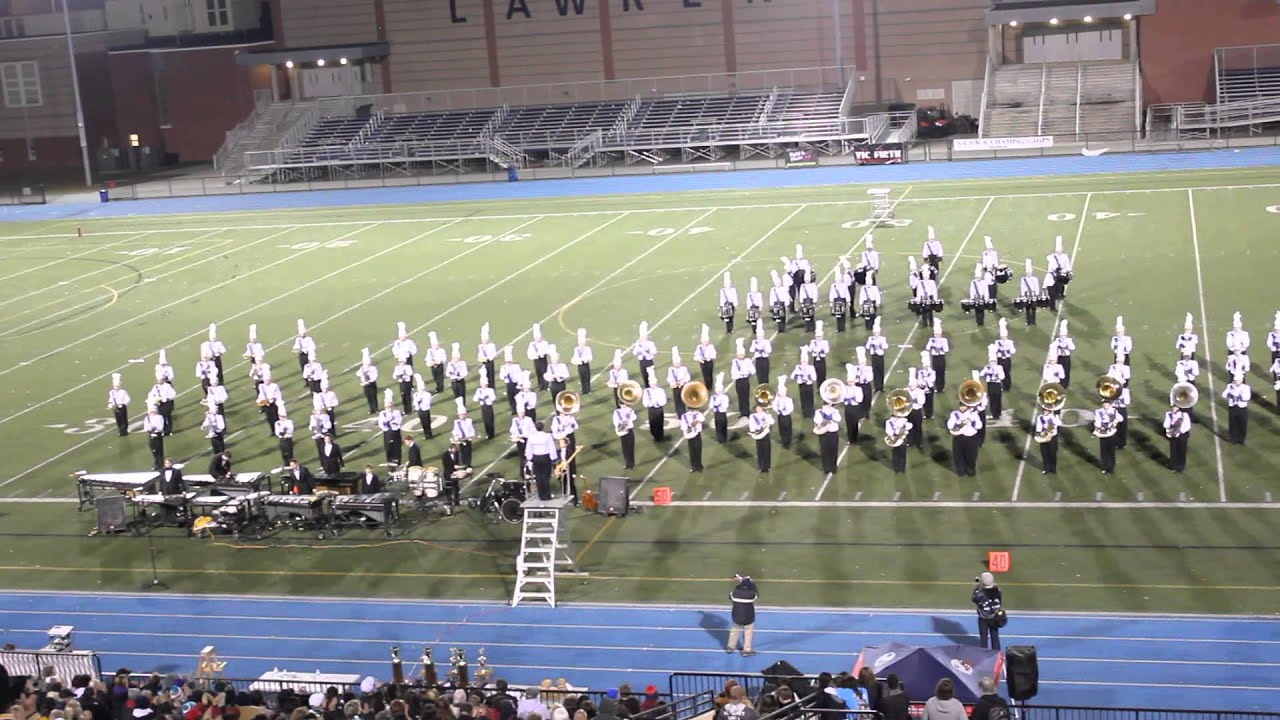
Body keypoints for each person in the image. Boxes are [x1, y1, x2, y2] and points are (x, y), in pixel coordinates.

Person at [525, 421, 559, 501]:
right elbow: (551, 447)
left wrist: (529, 458)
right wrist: (553, 458)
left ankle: (541, 495)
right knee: (546, 477)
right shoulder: (547, 436)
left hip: (536, 458)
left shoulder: (532, 437)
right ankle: (547, 495)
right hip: (545, 458)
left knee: (538, 477)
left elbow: (529, 448)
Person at [725, 575, 757, 657]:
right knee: (748, 632)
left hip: (737, 616)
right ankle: (746, 650)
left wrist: (740, 581)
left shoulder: (735, 592)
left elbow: (730, 596)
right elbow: (756, 593)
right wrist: (751, 583)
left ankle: (730, 647)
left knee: (734, 630)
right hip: (748, 616)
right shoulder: (752, 594)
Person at [972, 572, 1004, 650]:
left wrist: (977, 587)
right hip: (995, 616)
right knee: (995, 637)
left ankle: (984, 655)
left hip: (983, 618)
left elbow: (974, 599)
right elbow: (1000, 601)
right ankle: (997, 656)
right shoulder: (998, 590)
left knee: (984, 638)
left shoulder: (979, 593)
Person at [1223, 373, 1252, 445]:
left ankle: (1242, 439)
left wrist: (1238, 395)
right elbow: (1223, 395)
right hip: (1233, 407)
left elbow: (1247, 397)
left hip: (1242, 408)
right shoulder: (1230, 386)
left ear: (1241, 380)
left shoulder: (1246, 387)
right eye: (1235, 380)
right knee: (1233, 424)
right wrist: (1230, 393)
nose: (1236, 382)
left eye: (1237, 380)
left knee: (1242, 424)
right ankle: (1233, 438)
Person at [1094, 398, 1121, 473]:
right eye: (1104, 404)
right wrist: (1100, 426)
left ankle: (1112, 467)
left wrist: (1115, 421)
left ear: (1110, 404)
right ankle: (1105, 467)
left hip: (1111, 433)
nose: (1105, 405)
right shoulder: (1098, 411)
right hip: (1103, 433)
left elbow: (1121, 419)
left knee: (1111, 451)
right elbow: (1097, 421)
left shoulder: (1114, 411)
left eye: (1107, 404)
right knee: (1104, 451)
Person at [642, 368, 668, 442]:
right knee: (652, 424)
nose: (652, 385)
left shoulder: (660, 391)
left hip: (659, 409)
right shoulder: (647, 391)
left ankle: (660, 437)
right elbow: (645, 401)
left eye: (653, 384)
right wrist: (650, 404)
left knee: (659, 423)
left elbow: (664, 400)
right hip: (651, 409)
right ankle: (655, 436)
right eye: (651, 384)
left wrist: (657, 402)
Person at [1164, 403, 1191, 473]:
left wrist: (1179, 430)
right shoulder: (1168, 414)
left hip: (1182, 435)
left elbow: (1188, 426)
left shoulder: (1184, 415)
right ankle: (1173, 466)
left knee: (1182, 451)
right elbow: (1165, 425)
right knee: (1173, 451)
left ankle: (1181, 466)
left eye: (1175, 407)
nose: (1173, 408)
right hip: (1173, 435)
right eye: (1173, 407)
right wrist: (1172, 425)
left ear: (1179, 408)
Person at [731, 338, 753, 416]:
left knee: (745, 396)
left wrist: (746, 374)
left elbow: (753, 371)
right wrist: (738, 375)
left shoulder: (748, 361)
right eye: (739, 355)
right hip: (738, 380)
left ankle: (746, 412)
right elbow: (733, 372)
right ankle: (742, 412)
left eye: (742, 354)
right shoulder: (735, 362)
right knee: (740, 396)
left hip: (745, 380)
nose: (741, 356)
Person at [748, 404, 773, 473]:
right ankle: (761, 466)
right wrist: (754, 431)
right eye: (757, 408)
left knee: (767, 450)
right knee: (760, 451)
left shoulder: (766, 415)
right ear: (755, 409)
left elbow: (772, 422)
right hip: (758, 436)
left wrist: (768, 415)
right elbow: (751, 425)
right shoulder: (752, 416)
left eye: (760, 408)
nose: (759, 409)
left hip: (765, 434)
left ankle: (767, 466)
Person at [679, 405, 705, 473]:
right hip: (690, 435)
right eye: (691, 408)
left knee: (698, 449)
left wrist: (697, 421)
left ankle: (699, 466)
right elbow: (683, 426)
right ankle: (694, 466)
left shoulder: (698, 414)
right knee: (692, 450)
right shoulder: (684, 416)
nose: (692, 410)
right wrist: (688, 428)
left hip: (697, 434)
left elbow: (702, 418)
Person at [926, 319, 950, 389]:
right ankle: (937, 386)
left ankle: (942, 387)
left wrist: (940, 345)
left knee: (941, 372)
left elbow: (946, 350)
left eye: (938, 334)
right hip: (935, 357)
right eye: (936, 334)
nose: (937, 335)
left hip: (941, 357)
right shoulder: (931, 340)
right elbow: (927, 348)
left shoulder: (944, 340)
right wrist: (932, 343)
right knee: (935, 373)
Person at [473, 368, 497, 440]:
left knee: (490, 420)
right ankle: (487, 432)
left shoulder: (490, 390)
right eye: (483, 384)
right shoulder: (479, 390)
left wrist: (487, 396)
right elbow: (474, 399)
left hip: (489, 406)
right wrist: (479, 397)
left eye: (485, 384)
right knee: (485, 420)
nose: (484, 385)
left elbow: (493, 398)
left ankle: (491, 433)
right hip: (483, 406)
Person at [1035, 408, 1061, 474]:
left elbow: (1059, 423)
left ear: (1049, 411)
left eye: (1046, 410)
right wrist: (1039, 433)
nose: (1044, 411)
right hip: (1044, 437)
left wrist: (1056, 415)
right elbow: (1038, 427)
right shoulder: (1040, 417)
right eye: (1044, 410)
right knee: (1044, 453)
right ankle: (1046, 468)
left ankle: (1053, 468)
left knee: (1052, 453)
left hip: (1052, 437)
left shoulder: (1053, 417)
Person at [613, 402, 638, 470]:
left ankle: (632, 464)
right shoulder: (617, 411)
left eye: (623, 404)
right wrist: (622, 425)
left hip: (629, 430)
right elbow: (615, 421)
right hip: (622, 430)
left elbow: (634, 418)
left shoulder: (630, 410)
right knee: (625, 448)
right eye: (621, 404)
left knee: (630, 448)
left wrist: (630, 415)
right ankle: (627, 463)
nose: (622, 405)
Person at [1017, 258, 1041, 326]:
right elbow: (1022, 287)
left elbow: (1037, 286)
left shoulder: (1035, 279)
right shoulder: (1023, 279)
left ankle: (1033, 321)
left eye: (1029, 273)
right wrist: (1023, 294)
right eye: (1027, 273)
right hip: (1027, 295)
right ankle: (1028, 321)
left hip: (1033, 295)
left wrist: (1036, 293)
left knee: (1033, 308)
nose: (1028, 274)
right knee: (1027, 308)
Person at [634, 321, 658, 387]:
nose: (643, 339)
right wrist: (637, 347)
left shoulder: (650, 343)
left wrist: (645, 351)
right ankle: (647, 388)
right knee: (644, 377)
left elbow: (654, 352)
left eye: (644, 337)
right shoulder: (638, 343)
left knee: (651, 378)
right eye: (641, 337)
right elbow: (634, 352)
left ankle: (653, 389)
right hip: (642, 362)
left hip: (649, 362)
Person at [694, 323, 717, 389]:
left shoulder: (711, 346)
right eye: (703, 341)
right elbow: (696, 355)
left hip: (709, 362)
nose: (704, 342)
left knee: (709, 375)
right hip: (702, 362)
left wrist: (708, 357)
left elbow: (714, 355)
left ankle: (710, 385)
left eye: (706, 341)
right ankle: (706, 385)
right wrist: (699, 359)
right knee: (705, 374)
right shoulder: (699, 347)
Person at [571, 327, 593, 394]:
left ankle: (588, 389)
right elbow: (574, 357)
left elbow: (590, 356)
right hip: (580, 365)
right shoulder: (576, 349)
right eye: (580, 343)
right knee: (582, 377)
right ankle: (583, 389)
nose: (582, 345)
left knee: (587, 377)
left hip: (585, 364)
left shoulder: (587, 349)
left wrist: (586, 359)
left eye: (583, 343)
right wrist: (577, 361)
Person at [710, 372, 731, 444]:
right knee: (718, 426)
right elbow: (710, 406)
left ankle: (724, 438)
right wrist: (716, 404)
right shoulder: (713, 397)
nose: (718, 391)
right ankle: (720, 439)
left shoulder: (725, 397)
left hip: (722, 413)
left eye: (719, 390)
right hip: (716, 413)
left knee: (723, 425)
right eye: (717, 390)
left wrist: (719, 403)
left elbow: (725, 406)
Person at [143, 405, 165, 470]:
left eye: (153, 411)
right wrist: (150, 428)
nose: (152, 413)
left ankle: (160, 464)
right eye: (151, 412)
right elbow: (145, 428)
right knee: (154, 450)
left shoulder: (159, 417)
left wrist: (155, 427)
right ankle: (157, 463)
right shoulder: (147, 418)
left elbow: (161, 427)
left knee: (159, 450)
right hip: (151, 435)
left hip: (158, 435)